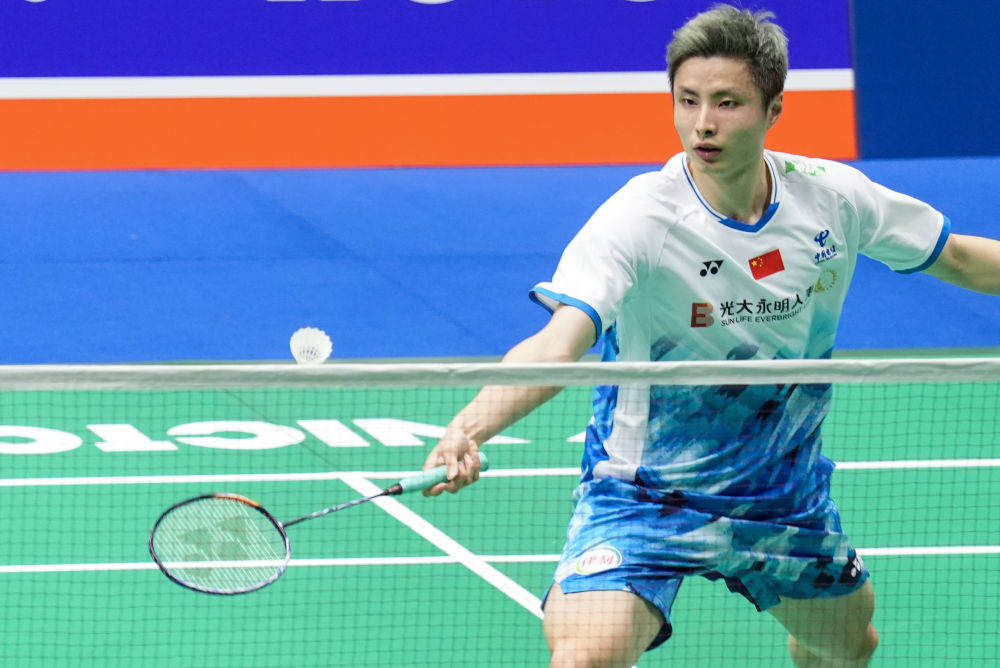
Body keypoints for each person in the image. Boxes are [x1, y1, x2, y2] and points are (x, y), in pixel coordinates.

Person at [421, 4, 1000, 667]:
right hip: (644, 497)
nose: (702, 123)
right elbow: (561, 342)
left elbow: (958, 258)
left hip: (780, 496)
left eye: (727, 103)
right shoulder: (640, 217)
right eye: (687, 100)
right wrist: (469, 427)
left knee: (847, 645)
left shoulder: (832, 197)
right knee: (584, 656)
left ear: (773, 109)